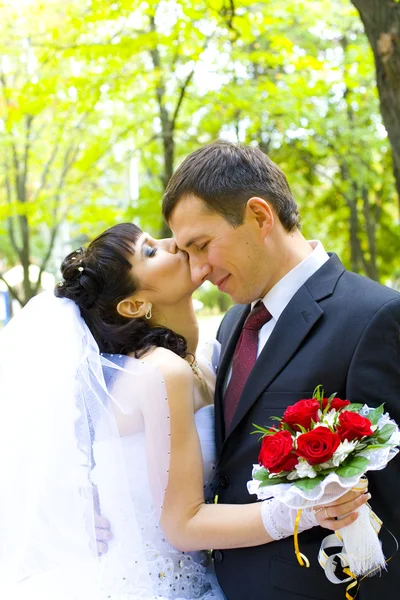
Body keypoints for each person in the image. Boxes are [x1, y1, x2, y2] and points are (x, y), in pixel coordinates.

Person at [0, 223, 367, 600]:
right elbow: (183, 524)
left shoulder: (209, 356)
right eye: (149, 251)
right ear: (134, 305)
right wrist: (305, 511)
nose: (172, 243)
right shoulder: (162, 371)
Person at [162, 140, 400, 600]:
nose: (196, 270)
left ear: (259, 216)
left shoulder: (377, 316)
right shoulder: (234, 324)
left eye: (202, 245)